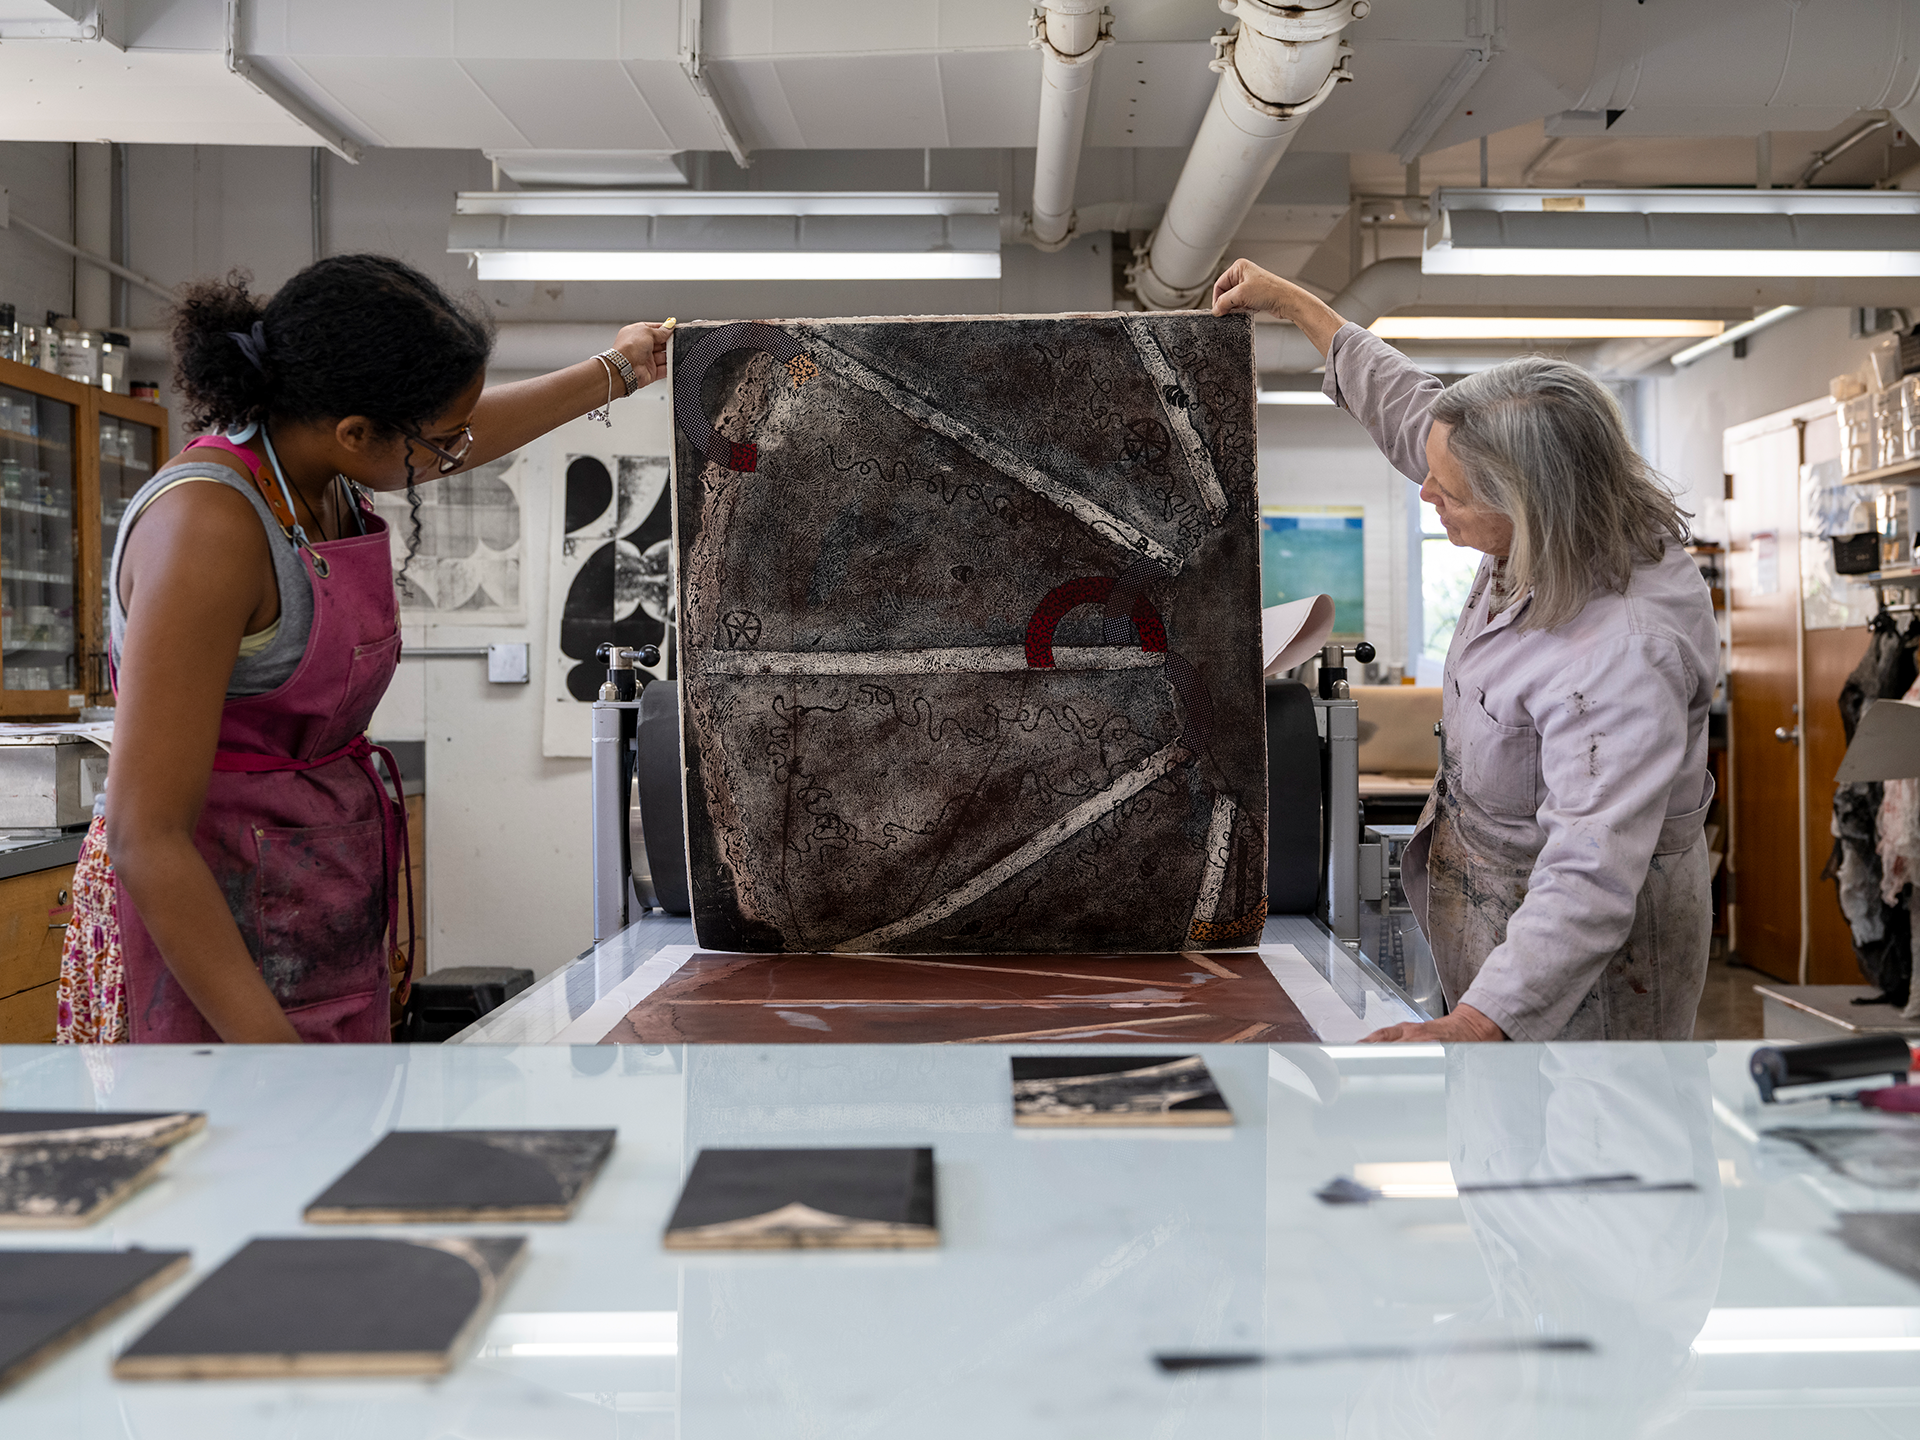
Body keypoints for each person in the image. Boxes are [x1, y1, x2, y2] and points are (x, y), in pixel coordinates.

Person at [55, 254, 668, 1044]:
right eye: (442, 442)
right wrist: (285, 1066)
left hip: (311, 898)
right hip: (199, 933)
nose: (457, 455)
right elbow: (148, 836)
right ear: (354, 432)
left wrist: (619, 371)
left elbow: (471, 431)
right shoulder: (206, 529)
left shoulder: (323, 478)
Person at [1213, 259, 1717, 1043]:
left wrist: (1481, 1023)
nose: (1427, 493)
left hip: (1591, 963)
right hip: (1495, 903)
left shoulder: (1623, 650)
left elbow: (1590, 870)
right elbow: (1408, 408)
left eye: (1448, 491)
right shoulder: (1539, 509)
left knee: (1587, 1120)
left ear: (1528, 503)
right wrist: (1293, 303)